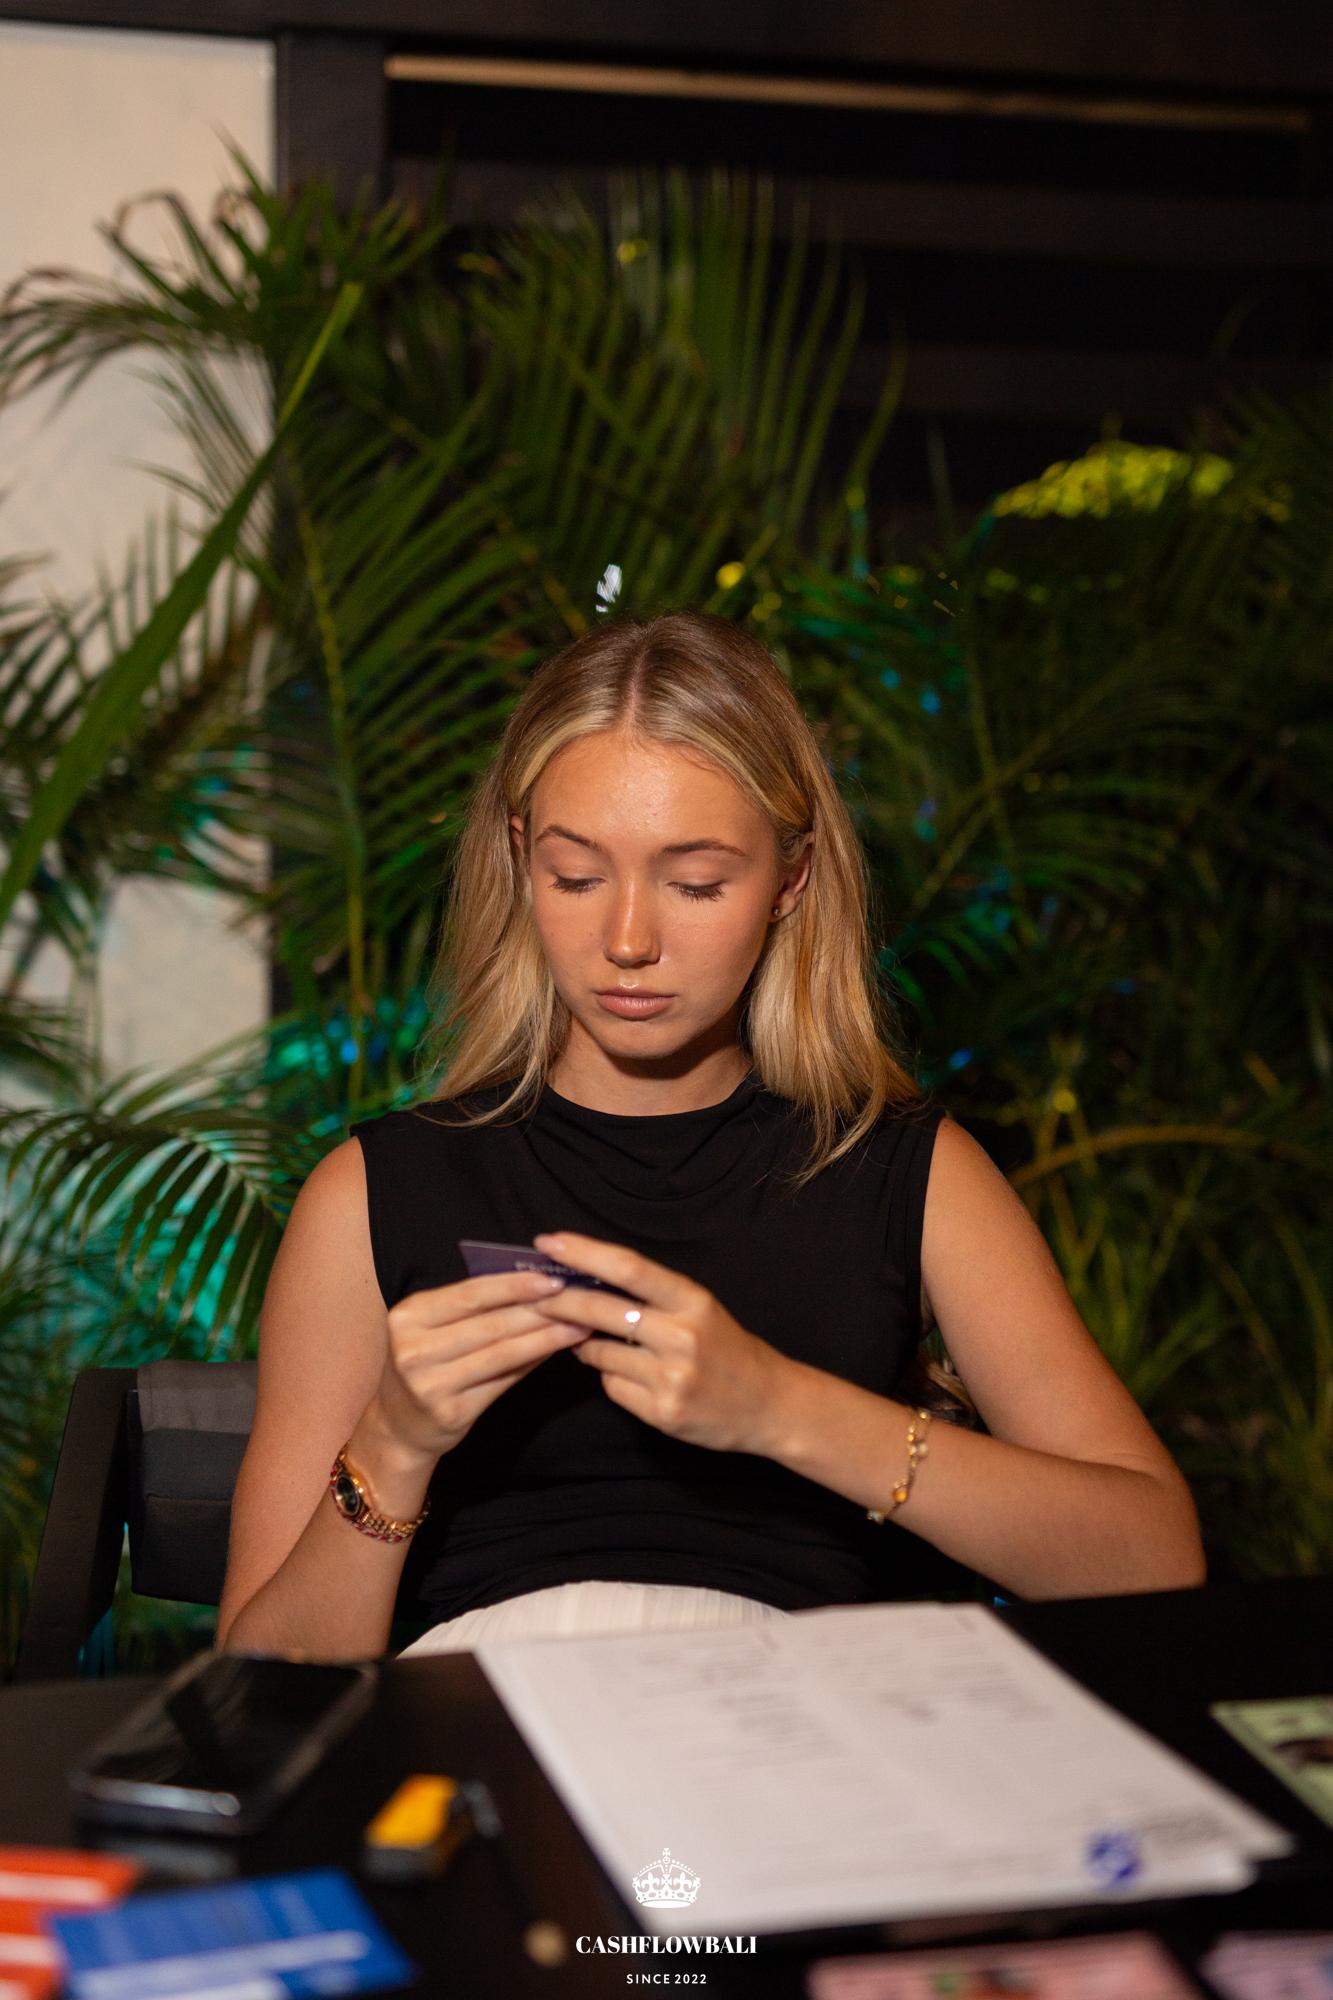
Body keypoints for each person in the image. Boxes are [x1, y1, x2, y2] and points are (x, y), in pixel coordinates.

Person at [217, 610, 1206, 1661]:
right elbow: (257, 1686)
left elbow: (1150, 1560)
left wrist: (778, 1406)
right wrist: (391, 1446)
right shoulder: (372, 1192)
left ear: (790, 879)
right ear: (517, 855)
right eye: (575, 875)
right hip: (480, 1716)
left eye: (694, 883)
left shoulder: (905, 1169)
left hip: (804, 1718)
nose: (627, 940)